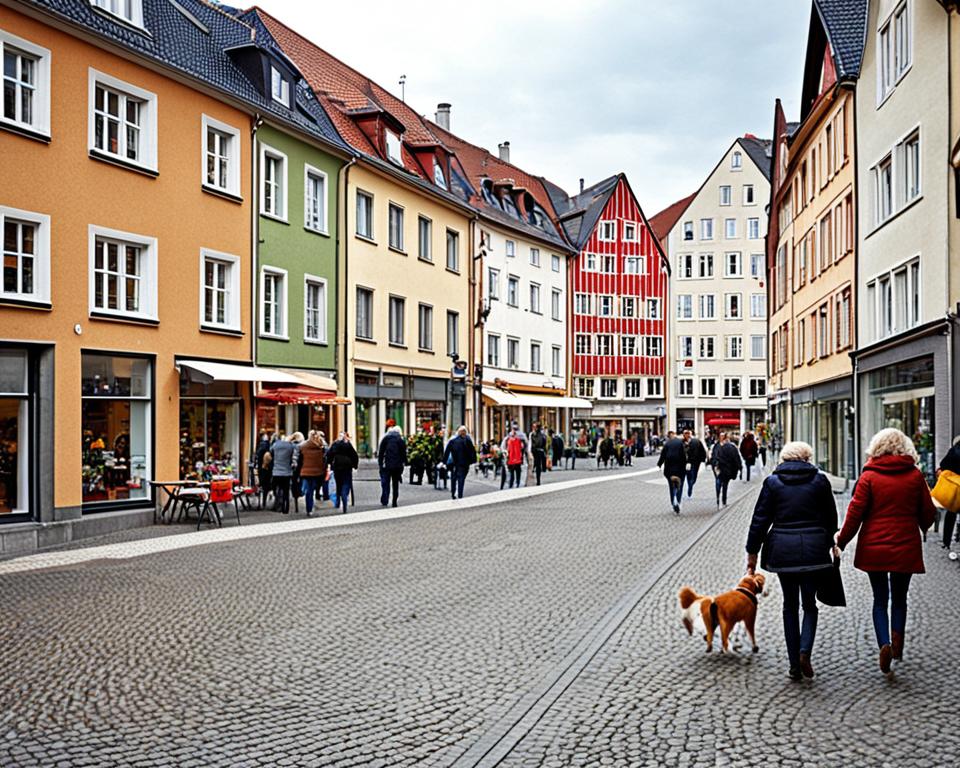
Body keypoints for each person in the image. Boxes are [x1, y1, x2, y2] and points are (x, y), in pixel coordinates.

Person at [836, 428, 936, 674]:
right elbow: (928, 512)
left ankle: (884, 644)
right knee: (900, 598)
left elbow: (855, 513)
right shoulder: (915, 476)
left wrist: (842, 540)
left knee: (880, 600)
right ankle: (898, 644)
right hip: (905, 546)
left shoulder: (869, 476)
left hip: (875, 547)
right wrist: (923, 526)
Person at [745, 441, 838, 681]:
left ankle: (794, 663)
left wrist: (752, 555)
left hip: (783, 551)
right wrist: (831, 543)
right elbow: (830, 516)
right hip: (814, 551)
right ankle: (805, 651)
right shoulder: (820, 481)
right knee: (809, 605)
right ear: (807, 458)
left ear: (784, 459)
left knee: (789, 605)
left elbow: (760, 521)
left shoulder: (772, 483)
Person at [935, 436, 960, 549]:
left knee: (951, 515)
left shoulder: (954, 450)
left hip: (955, 488)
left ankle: (946, 542)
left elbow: (943, 465)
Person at [325, 432, 359, 514]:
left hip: (337, 466)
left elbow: (329, 454)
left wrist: (329, 463)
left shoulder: (335, 444)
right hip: (347, 467)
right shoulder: (348, 445)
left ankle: (338, 500)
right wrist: (355, 465)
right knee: (346, 483)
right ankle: (344, 496)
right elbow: (355, 456)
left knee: (338, 483)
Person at [657, 430, 687, 514]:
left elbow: (662, 455)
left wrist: (659, 464)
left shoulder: (667, 444)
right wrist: (686, 465)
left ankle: (673, 502)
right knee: (679, 485)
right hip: (680, 469)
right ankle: (678, 500)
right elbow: (684, 455)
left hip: (669, 469)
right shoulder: (680, 443)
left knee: (671, 486)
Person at [444, 426, 477, 500]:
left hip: (454, 463)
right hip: (464, 464)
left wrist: (444, 462)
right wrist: (473, 461)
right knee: (461, 478)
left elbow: (447, 452)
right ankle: (460, 494)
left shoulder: (452, 441)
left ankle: (453, 492)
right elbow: (472, 451)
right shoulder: (468, 440)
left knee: (454, 477)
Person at [298, 430, 326, 517]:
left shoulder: (302, 446)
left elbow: (300, 460)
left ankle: (309, 509)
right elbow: (325, 459)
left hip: (306, 472)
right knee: (313, 489)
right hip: (318, 472)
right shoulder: (321, 447)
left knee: (308, 491)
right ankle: (311, 505)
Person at [378, 425, 406, 507]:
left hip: (387, 465)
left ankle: (385, 499)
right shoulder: (400, 440)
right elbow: (403, 454)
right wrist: (404, 463)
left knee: (386, 483)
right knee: (395, 484)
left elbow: (381, 452)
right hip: (397, 466)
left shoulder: (385, 439)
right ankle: (394, 501)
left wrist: (380, 464)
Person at [270, 433, 298, 515]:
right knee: (286, 491)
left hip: (276, 472)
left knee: (276, 489)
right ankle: (286, 508)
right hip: (287, 472)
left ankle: (278, 506)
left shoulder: (275, 445)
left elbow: (271, 453)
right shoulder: (291, 446)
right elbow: (294, 456)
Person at [711, 432, 741, 508]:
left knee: (721, 482)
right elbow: (736, 458)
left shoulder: (719, 446)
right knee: (723, 484)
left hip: (721, 468)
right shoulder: (720, 446)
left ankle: (721, 498)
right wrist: (739, 468)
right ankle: (721, 499)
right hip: (723, 468)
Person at [501, 424, 526, 489]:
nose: (514, 432)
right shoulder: (508, 439)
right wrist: (505, 453)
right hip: (511, 459)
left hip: (517, 459)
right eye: (513, 430)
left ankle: (517, 483)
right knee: (512, 473)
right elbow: (503, 447)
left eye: (515, 430)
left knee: (517, 472)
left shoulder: (520, 439)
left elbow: (523, 447)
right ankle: (511, 484)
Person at [684, 430, 707, 498]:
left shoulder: (694, 442)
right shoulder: (697, 441)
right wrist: (703, 459)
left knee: (689, 474)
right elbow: (702, 451)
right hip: (694, 462)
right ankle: (690, 485)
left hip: (689, 462)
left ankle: (690, 485)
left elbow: (702, 451)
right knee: (693, 475)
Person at [254, 433, 272, 508]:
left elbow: (257, 457)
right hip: (267, 468)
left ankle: (260, 502)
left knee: (261, 485)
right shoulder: (268, 446)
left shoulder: (259, 446)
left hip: (261, 468)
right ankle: (264, 501)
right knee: (266, 486)